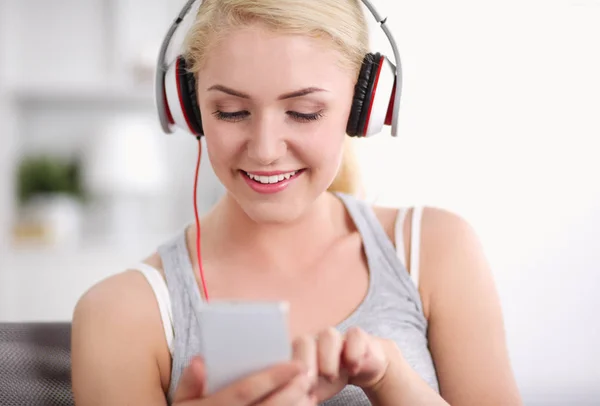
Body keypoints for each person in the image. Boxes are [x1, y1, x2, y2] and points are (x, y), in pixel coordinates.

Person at [71, 0, 523, 405]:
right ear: (189, 108)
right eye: (230, 110)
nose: (265, 149)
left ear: (363, 106)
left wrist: (393, 380)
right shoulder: (120, 312)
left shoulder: (437, 250)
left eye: (304, 113)